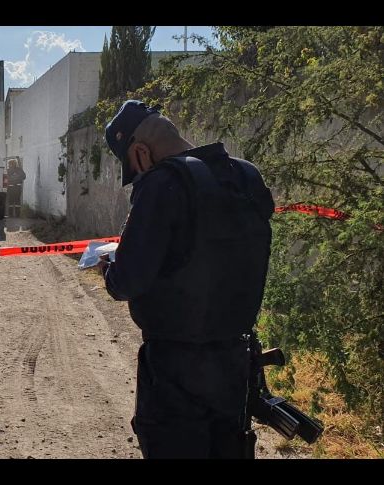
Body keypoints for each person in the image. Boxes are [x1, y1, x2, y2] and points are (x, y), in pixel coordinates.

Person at [98, 100, 275, 458]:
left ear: (141, 152)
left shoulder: (163, 184)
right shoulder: (246, 177)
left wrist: (108, 268)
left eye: (133, 168)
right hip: (235, 361)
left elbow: (127, 281)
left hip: (175, 368)